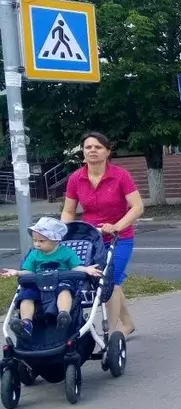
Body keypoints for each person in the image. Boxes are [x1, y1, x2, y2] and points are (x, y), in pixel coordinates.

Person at [61, 132, 144, 337]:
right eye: (88, 147)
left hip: (120, 237)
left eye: (98, 147)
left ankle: (112, 334)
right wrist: (63, 231)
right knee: (106, 281)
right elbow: (69, 211)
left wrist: (117, 226)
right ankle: (127, 324)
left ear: (107, 152)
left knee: (110, 282)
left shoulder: (120, 175)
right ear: (83, 152)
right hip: (91, 239)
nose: (92, 151)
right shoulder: (76, 178)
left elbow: (137, 207)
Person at [4, 217, 103, 338]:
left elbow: (75, 268)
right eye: (35, 240)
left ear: (55, 240)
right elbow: (28, 271)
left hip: (61, 281)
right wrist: (17, 273)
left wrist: (87, 269)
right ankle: (26, 323)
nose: (37, 244)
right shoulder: (34, 254)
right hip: (38, 284)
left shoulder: (66, 252)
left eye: (41, 241)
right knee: (26, 295)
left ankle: (64, 315)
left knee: (64, 291)